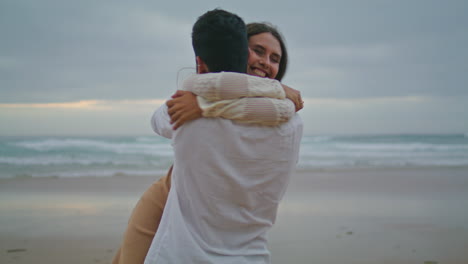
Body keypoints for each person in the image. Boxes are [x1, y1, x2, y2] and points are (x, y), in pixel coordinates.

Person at [113, 11, 303, 264]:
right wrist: (278, 90)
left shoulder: (189, 109)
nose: (266, 63)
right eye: (258, 51)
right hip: (180, 195)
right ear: (236, 50)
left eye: (275, 58)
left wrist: (205, 102)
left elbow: (162, 120)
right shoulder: (291, 119)